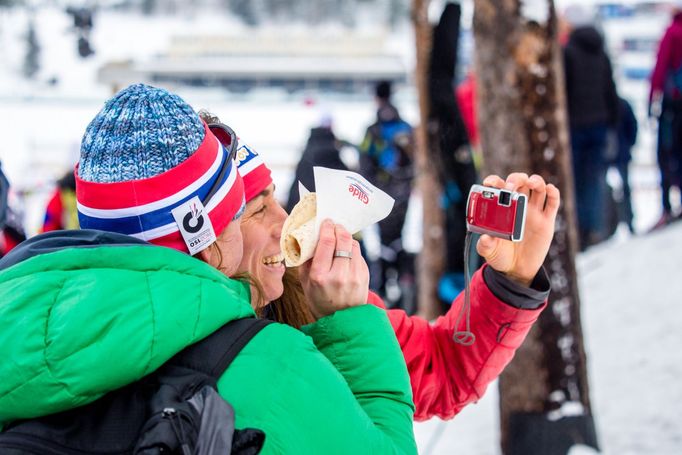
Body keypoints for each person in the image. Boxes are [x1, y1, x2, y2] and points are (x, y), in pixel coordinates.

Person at [0, 84, 417, 453]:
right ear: (203, 233)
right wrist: (349, 322)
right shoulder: (265, 367)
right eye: (239, 209)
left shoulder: (17, 325)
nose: (279, 219)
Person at [205, 110, 559, 421]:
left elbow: (443, 369)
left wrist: (512, 280)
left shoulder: (316, 297)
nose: (284, 224)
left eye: (275, 198)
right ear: (204, 239)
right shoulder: (172, 354)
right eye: (256, 209)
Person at [562, 10, 619, 249]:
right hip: (598, 125)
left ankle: (579, 232)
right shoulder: (601, 54)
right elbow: (610, 91)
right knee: (594, 180)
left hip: (576, 126)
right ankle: (593, 228)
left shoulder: (568, 53)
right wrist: (611, 124)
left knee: (573, 181)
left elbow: (564, 92)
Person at [359, 80, 416, 311]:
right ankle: (403, 289)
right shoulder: (405, 126)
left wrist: (370, 186)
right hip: (403, 192)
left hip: (381, 194)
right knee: (399, 239)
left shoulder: (373, 129)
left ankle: (381, 293)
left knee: (382, 243)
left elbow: (364, 160)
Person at [649, 0, 682, 229]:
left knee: (666, 153)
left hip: (673, 105)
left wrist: (652, 99)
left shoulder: (672, 33)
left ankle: (667, 207)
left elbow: (660, 70)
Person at [286, 113, 348, 213]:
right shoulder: (330, 150)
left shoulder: (309, 145)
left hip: (299, 205)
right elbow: (346, 176)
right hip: (319, 208)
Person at [609, 96, 638, 233]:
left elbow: (633, 127)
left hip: (614, 154)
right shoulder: (622, 104)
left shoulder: (615, 105)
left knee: (623, 188)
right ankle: (626, 221)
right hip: (620, 153)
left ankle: (627, 221)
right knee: (624, 188)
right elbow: (633, 127)